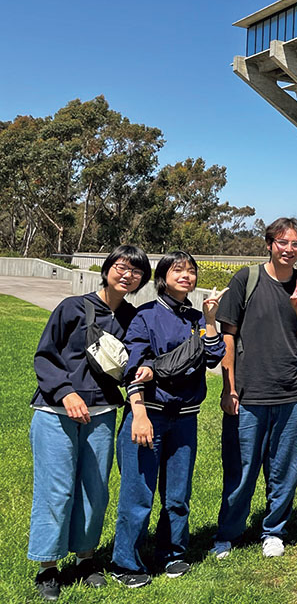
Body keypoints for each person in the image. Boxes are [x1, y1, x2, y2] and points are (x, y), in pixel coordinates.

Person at [28, 245, 151, 601]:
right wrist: (65, 392)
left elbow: (135, 362)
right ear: (108, 268)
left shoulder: (132, 318)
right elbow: (45, 356)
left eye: (136, 271)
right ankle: (47, 567)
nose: (127, 274)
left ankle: (85, 558)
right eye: (121, 267)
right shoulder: (72, 308)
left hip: (101, 414)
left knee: (94, 490)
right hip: (56, 413)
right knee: (57, 489)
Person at [110, 251, 226, 586]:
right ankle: (125, 563)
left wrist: (211, 320)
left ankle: (171, 554)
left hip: (186, 418)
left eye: (191, 271)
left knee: (177, 495)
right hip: (151, 415)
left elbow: (214, 356)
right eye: (178, 270)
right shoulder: (146, 316)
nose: (186, 276)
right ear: (163, 275)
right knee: (138, 492)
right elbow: (133, 368)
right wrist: (139, 414)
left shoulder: (196, 317)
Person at [212, 217, 297, 559]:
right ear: (270, 243)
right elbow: (228, 335)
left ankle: (274, 530)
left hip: (289, 392)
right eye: (283, 242)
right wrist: (229, 387)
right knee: (240, 469)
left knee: (284, 469)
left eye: (296, 244)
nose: (289, 249)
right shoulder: (247, 279)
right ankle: (228, 533)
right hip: (248, 392)